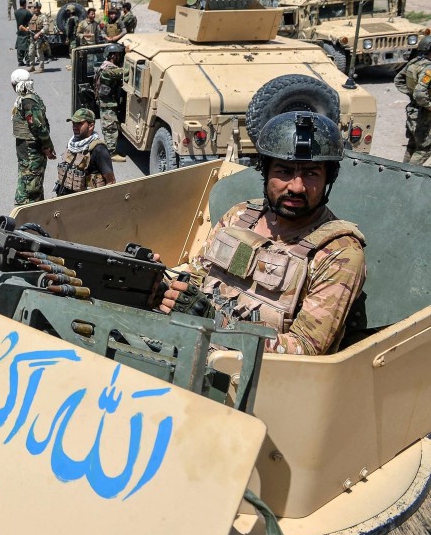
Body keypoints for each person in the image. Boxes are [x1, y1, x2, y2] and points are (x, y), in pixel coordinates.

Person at [160, 112, 366, 356]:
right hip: (191, 346)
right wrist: (158, 286)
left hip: (259, 378)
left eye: (311, 173)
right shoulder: (241, 217)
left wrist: (217, 324)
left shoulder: (338, 253)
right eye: (285, 171)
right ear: (265, 172)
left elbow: (306, 348)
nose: (296, 187)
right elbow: (197, 277)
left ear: (327, 179)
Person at [11, 68, 55, 205]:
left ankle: (25, 217)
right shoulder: (25, 99)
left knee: (30, 189)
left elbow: (39, 127)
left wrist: (48, 146)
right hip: (26, 152)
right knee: (29, 183)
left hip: (31, 152)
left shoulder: (28, 102)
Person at [55, 108, 116, 195]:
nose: (75, 127)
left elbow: (111, 181)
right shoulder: (72, 144)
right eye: (73, 123)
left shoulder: (99, 149)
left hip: (87, 202)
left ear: (91, 126)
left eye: (79, 124)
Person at [393, 35, 431, 166]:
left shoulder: (414, 63)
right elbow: (420, 93)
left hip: (413, 111)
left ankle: (402, 173)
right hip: (424, 115)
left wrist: (411, 95)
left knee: (412, 145)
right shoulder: (428, 69)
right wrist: (428, 104)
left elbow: (398, 80)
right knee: (425, 148)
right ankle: (409, 176)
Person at [95, 43, 126, 162]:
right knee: (110, 127)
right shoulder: (109, 70)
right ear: (113, 56)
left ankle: (112, 150)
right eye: (119, 55)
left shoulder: (104, 66)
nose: (120, 57)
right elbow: (125, 71)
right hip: (107, 104)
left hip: (106, 102)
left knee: (110, 125)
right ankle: (111, 154)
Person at [25, 1, 49, 72]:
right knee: (31, 52)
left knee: (39, 52)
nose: (36, 9)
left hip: (40, 38)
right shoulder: (32, 16)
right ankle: (32, 66)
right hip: (32, 37)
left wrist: (38, 33)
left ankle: (41, 67)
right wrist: (28, 28)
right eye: (35, 8)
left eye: (37, 8)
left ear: (40, 8)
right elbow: (29, 25)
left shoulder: (43, 16)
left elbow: (46, 27)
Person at [14, 0, 33, 67]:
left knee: (19, 47)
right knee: (27, 47)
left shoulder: (16, 12)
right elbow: (31, 18)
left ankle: (20, 61)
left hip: (19, 31)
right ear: (25, 4)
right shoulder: (27, 13)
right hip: (26, 31)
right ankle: (28, 61)